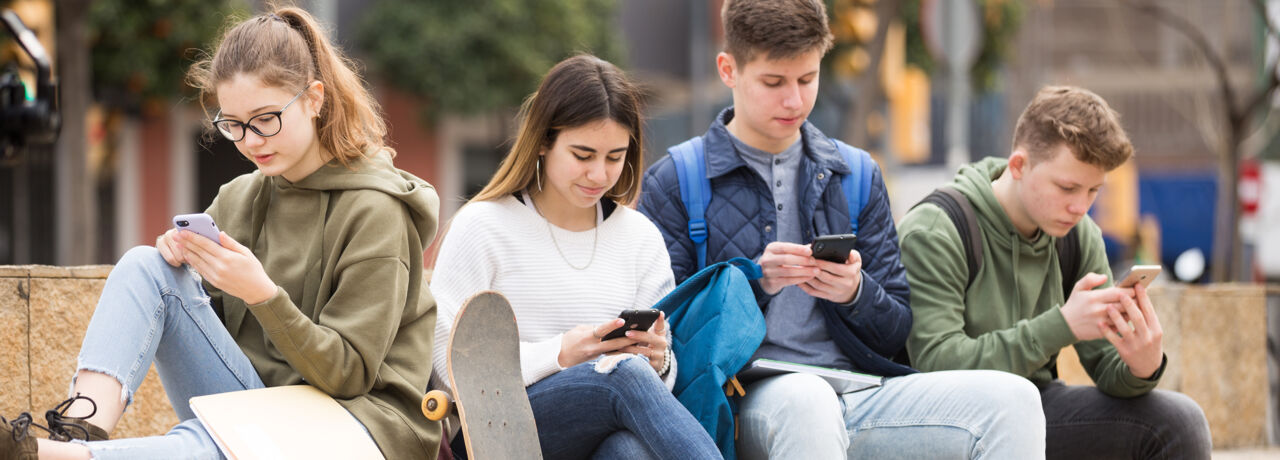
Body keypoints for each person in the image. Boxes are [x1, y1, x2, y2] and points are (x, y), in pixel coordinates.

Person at [0, 7, 441, 460]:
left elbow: (350, 374)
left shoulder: (376, 210)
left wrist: (262, 295)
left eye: (266, 118)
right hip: (263, 409)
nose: (250, 142)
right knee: (145, 266)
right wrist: (183, 264)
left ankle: (44, 457)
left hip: (361, 427)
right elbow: (199, 324)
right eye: (233, 124)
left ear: (314, 99)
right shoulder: (241, 198)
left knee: (208, 446)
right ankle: (76, 436)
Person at [638, 1, 1046, 458]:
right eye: (774, 82)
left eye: (807, 79)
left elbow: (897, 330)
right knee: (808, 398)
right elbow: (664, 335)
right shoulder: (677, 179)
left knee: (1015, 399)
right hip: (744, 400)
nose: (794, 100)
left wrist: (855, 293)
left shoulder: (855, 174)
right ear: (728, 70)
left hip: (858, 390)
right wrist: (756, 282)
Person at [429, 54, 721, 460]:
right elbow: (445, 366)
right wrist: (562, 354)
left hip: (605, 433)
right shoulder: (483, 226)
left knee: (629, 450)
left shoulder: (640, 238)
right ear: (544, 142)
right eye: (583, 156)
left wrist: (659, 359)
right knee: (622, 373)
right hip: (497, 435)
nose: (599, 175)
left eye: (615, 157)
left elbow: (659, 385)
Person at [899, 85, 1212, 459]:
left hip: (1034, 408)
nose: (1081, 206)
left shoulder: (1078, 236)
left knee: (1179, 422)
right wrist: (1061, 325)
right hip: (946, 421)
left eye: (1094, 190)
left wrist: (1141, 366)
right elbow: (937, 366)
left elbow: (1105, 368)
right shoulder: (937, 230)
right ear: (1018, 166)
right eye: (1067, 187)